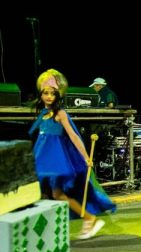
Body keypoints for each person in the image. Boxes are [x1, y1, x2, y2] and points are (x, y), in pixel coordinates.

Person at [29, 69, 115, 239]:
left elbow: (73, 136)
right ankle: (51, 228)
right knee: (48, 195)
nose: (49, 97)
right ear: (41, 94)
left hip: (55, 163)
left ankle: (89, 218)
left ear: (58, 95)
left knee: (57, 194)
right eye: (46, 93)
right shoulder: (43, 114)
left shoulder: (60, 114)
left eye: (52, 93)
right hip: (43, 161)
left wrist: (85, 157)